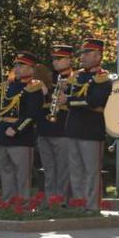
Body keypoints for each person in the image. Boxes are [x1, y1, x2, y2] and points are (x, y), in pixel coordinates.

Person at [58, 38, 110, 212]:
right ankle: (79, 206)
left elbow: (94, 102)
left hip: (91, 130)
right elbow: (79, 99)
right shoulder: (77, 75)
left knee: (91, 172)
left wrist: (69, 100)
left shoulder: (102, 77)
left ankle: (92, 207)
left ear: (98, 55)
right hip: (73, 128)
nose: (84, 57)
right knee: (76, 172)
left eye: (88, 53)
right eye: (83, 53)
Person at [0, 52, 44, 201]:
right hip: (3, 133)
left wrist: (16, 128)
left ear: (31, 69)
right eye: (16, 65)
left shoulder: (33, 88)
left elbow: (32, 114)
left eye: (22, 65)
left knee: (22, 173)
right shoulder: (8, 87)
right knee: (6, 171)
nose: (17, 68)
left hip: (21, 137)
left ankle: (23, 202)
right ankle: (8, 201)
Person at [38, 44, 74, 203]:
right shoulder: (47, 77)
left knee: (63, 169)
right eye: (53, 59)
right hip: (44, 128)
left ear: (69, 59)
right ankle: (50, 201)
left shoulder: (76, 77)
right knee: (49, 170)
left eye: (59, 59)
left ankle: (63, 201)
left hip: (63, 128)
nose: (55, 62)